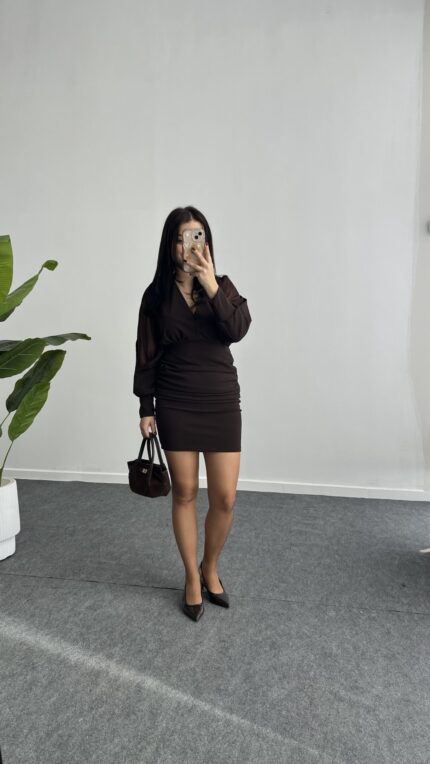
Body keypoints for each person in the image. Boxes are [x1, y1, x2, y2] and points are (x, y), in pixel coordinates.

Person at [133, 206, 252, 622]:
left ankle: (209, 567)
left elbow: (238, 329)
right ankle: (190, 577)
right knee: (184, 492)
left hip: (220, 401)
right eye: (183, 238)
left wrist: (210, 282)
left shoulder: (223, 286)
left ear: (207, 243)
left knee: (225, 498)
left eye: (198, 236)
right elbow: (145, 352)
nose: (190, 246)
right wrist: (145, 406)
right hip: (176, 400)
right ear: (171, 245)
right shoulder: (155, 296)